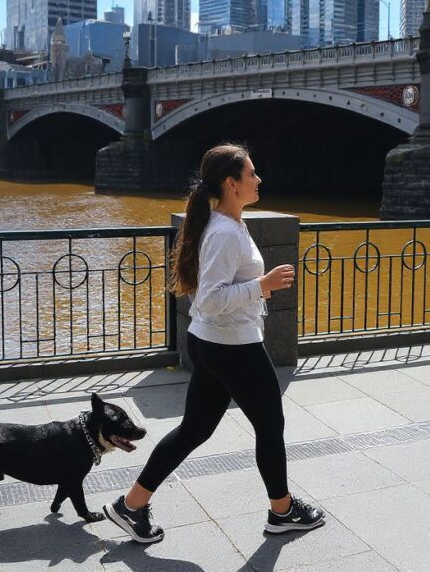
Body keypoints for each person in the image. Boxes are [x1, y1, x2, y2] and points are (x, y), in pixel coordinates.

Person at [102, 144, 324, 543]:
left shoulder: (228, 224)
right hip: (231, 345)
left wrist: (258, 289)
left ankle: (130, 505)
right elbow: (209, 298)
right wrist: (263, 285)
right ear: (231, 183)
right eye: (252, 173)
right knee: (269, 426)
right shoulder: (224, 232)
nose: (259, 180)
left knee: (194, 430)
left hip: (213, 341)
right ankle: (283, 510)